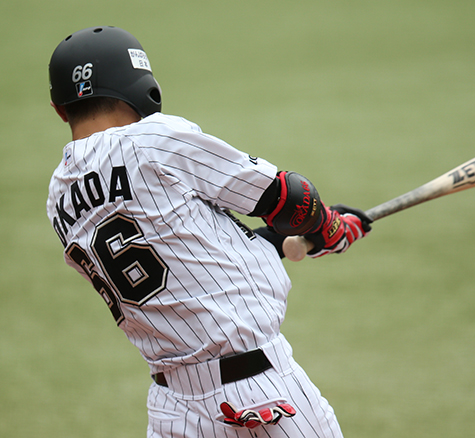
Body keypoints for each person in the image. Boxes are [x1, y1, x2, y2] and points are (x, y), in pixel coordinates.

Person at [47, 26, 371, 438]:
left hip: (173, 411)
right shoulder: (151, 140)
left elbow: (182, 263)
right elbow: (291, 198)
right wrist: (328, 227)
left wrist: (282, 240)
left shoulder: (59, 197)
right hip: (257, 395)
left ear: (60, 109)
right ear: (142, 87)